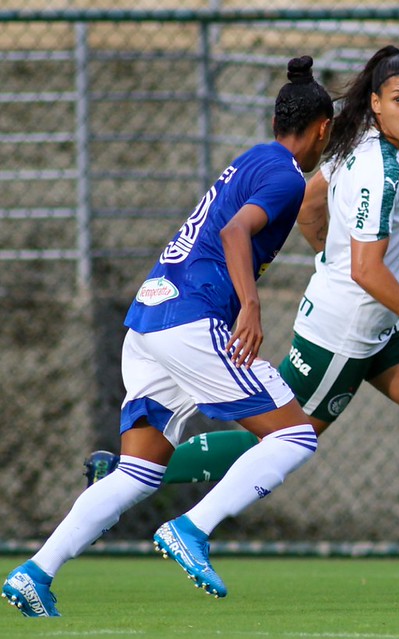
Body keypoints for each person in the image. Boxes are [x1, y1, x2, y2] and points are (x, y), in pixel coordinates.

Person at [84, 45, 399, 598]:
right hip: (346, 332)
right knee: (289, 434)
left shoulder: (355, 146)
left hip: (377, 321)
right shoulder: (377, 165)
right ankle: (132, 476)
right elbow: (365, 269)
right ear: (377, 104)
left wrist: (330, 256)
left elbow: (314, 202)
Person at [1, 56, 334, 618]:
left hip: (148, 320)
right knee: (296, 436)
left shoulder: (253, 159)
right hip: (192, 321)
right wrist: (250, 308)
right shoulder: (284, 177)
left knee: (138, 471)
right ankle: (193, 529)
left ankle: (36, 572)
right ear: (322, 128)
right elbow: (234, 232)